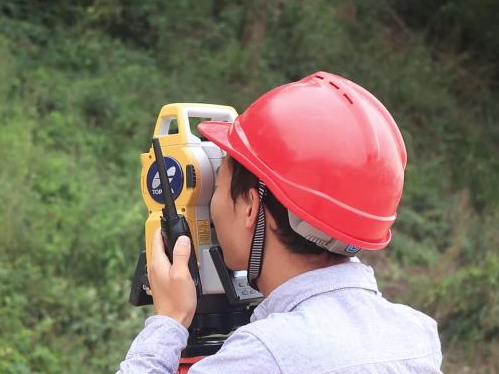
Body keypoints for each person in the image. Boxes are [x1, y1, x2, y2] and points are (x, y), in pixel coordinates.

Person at [116, 72, 443, 374]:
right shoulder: (416, 336)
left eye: (219, 184)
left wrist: (169, 320)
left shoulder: (264, 354)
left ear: (248, 206)